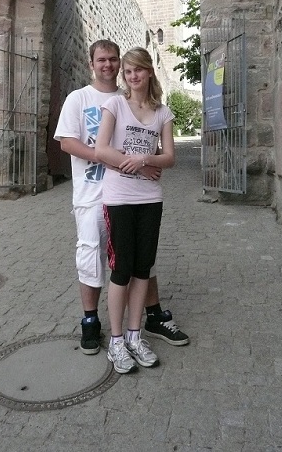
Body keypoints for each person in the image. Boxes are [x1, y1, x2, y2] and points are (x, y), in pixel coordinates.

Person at [54, 40, 188, 357]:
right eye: (102, 60)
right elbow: (68, 143)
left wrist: (145, 160)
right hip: (92, 192)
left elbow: (149, 144)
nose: (109, 65)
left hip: (132, 192)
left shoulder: (128, 97)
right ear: (92, 63)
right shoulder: (79, 98)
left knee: (142, 258)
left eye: (114, 60)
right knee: (91, 253)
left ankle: (151, 315)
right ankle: (90, 320)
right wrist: (123, 162)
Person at [95, 46, 175, 373]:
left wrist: (146, 159)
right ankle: (116, 341)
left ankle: (134, 335)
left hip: (150, 199)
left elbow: (169, 157)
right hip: (119, 198)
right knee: (122, 269)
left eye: (138, 70)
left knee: (143, 268)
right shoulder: (115, 104)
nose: (132, 76)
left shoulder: (162, 113)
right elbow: (101, 150)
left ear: (149, 71)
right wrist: (140, 165)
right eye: (127, 71)